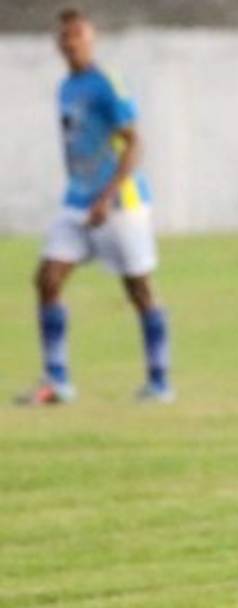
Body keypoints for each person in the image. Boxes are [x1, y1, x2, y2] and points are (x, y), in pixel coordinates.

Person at [17, 7, 172, 406]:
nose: (70, 43)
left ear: (91, 39)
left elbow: (134, 143)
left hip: (120, 203)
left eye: (77, 36)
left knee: (138, 289)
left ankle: (159, 382)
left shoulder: (107, 84)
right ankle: (57, 381)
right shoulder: (66, 87)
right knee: (47, 279)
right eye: (64, 37)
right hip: (77, 202)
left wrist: (107, 195)